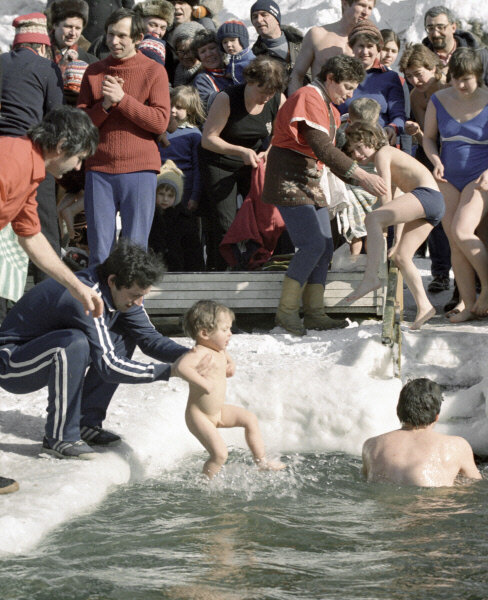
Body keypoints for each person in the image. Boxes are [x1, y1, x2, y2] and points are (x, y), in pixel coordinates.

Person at [0, 241, 211, 462]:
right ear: (112, 281)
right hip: (12, 365)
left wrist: (196, 356)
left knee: (125, 333)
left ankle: (85, 422)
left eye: (143, 295)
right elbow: (108, 366)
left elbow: (149, 339)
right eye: (134, 295)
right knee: (74, 343)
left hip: (43, 354)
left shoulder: (122, 295)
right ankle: (60, 437)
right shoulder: (85, 295)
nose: (138, 302)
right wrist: (171, 371)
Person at [0, 105, 103, 494]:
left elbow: (30, 236)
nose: (78, 167)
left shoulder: (31, 169)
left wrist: (76, 286)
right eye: (78, 157)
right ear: (60, 145)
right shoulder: (11, 160)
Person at [261, 55, 387, 335]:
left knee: (325, 246)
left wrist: (362, 176)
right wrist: (361, 175)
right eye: (347, 87)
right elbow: (323, 149)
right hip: (288, 178)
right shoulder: (309, 96)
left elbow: (328, 156)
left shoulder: (326, 104)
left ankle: (315, 313)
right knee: (311, 244)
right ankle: (287, 313)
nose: (350, 94)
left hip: (309, 178)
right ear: (330, 78)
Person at [77, 7, 171, 266]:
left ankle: (131, 306)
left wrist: (122, 100)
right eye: (110, 35)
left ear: (138, 38)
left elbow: (160, 122)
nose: (114, 42)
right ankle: (100, 307)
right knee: (99, 252)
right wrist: (105, 106)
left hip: (140, 170)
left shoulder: (154, 71)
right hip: (99, 169)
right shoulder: (94, 71)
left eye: (122, 36)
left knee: (134, 253)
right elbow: (81, 125)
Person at [345, 121, 445, 329]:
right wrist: (396, 239)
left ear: (373, 140)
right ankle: (425, 305)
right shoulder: (385, 157)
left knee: (372, 218)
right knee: (401, 256)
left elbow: (386, 197)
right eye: (352, 150)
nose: (356, 154)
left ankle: (371, 277)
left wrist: (381, 231)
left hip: (426, 196)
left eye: (360, 146)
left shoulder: (383, 153)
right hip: (431, 202)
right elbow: (397, 197)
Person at [177, 300, 285, 478]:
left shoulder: (218, 349)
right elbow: (182, 367)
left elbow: (226, 358)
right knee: (220, 455)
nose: (230, 334)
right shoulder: (199, 352)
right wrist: (202, 383)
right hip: (200, 416)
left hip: (217, 411)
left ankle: (262, 462)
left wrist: (231, 363)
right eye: (225, 329)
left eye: (229, 328)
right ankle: (205, 484)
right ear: (204, 333)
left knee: (249, 419)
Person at [200, 55, 286, 270]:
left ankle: (256, 263)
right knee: (226, 223)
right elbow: (208, 139)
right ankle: (224, 269)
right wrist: (239, 151)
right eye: (262, 91)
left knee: (261, 216)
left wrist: (269, 151)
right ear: (250, 81)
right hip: (221, 160)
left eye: (271, 92)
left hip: (254, 161)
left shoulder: (277, 99)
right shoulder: (227, 98)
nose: (266, 98)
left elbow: (280, 135)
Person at [423, 48, 488, 322]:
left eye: (467, 79)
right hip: (447, 176)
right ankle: (469, 304)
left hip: (480, 176)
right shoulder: (438, 98)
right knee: (454, 242)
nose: (461, 85)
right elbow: (428, 138)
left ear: (480, 77)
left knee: (463, 231)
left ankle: (487, 289)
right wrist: (435, 160)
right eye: (456, 78)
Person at [399, 43, 451, 295]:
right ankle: (440, 273)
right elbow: (426, 136)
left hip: (455, 154)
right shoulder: (415, 96)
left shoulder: (448, 88)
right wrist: (418, 134)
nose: (415, 80)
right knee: (434, 216)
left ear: (433, 68)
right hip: (429, 156)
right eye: (409, 76)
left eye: (419, 73)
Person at [362, 378, 482, 487]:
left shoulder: (372, 445)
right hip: (434, 509)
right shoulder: (457, 446)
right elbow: (475, 485)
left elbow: (365, 480)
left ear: (398, 411)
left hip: (387, 510)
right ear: (436, 416)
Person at [338, 20, 406, 146]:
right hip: (347, 145)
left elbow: (399, 115)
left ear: (378, 49)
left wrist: (392, 128)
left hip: (380, 143)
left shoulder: (389, 77)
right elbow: (332, 111)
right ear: (352, 47)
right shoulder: (341, 76)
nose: (365, 52)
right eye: (360, 46)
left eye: (369, 46)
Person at [288, 0, 375, 95]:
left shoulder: (370, 46)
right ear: (345, 3)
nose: (366, 12)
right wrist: (296, 105)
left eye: (370, 8)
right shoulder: (318, 35)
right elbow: (297, 75)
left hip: (353, 106)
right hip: (320, 103)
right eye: (361, 5)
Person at [422, 5, 488, 87]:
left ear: (453, 27)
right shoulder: (420, 60)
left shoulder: (480, 55)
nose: (435, 33)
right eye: (430, 28)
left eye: (441, 27)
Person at [250, 0, 307, 90]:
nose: (258, 20)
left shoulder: (303, 44)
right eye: (254, 17)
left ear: (277, 19)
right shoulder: (254, 57)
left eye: (264, 14)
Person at [47, 0, 98, 76]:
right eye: (68, 27)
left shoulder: (90, 61)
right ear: (55, 25)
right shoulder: (39, 53)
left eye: (77, 28)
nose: (73, 33)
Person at [191, 30, 233, 112]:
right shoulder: (202, 80)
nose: (208, 54)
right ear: (199, 57)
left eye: (212, 48)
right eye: (203, 51)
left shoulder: (234, 70)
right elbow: (213, 105)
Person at [217, 20, 256, 85]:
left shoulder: (251, 62)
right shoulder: (233, 59)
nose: (228, 45)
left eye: (232, 40)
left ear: (242, 40)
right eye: (225, 42)